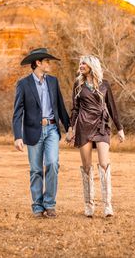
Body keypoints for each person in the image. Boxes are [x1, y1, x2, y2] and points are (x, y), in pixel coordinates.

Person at [12, 47, 71, 218]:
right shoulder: (23, 84)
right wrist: (18, 136)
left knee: (52, 164)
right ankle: (37, 206)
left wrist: (69, 128)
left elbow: (60, 106)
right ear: (38, 63)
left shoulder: (53, 81)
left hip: (52, 129)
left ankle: (50, 204)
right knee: (36, 170)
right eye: (47, 61)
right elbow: (18, 112)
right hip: (33, 130)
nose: (49, 64)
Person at [68, 55, 125, 217]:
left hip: (102, 127)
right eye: (80, 63)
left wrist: (119, 129)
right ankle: (89, 205)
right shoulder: (78, 84)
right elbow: (75, 109)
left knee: (104, 163)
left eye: (84, 63)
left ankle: (107, 205)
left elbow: (112, 108)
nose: (80, 65)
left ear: (92, 66)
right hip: (84, 127)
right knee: (86, 167)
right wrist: (71, 128)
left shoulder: (104, 84)